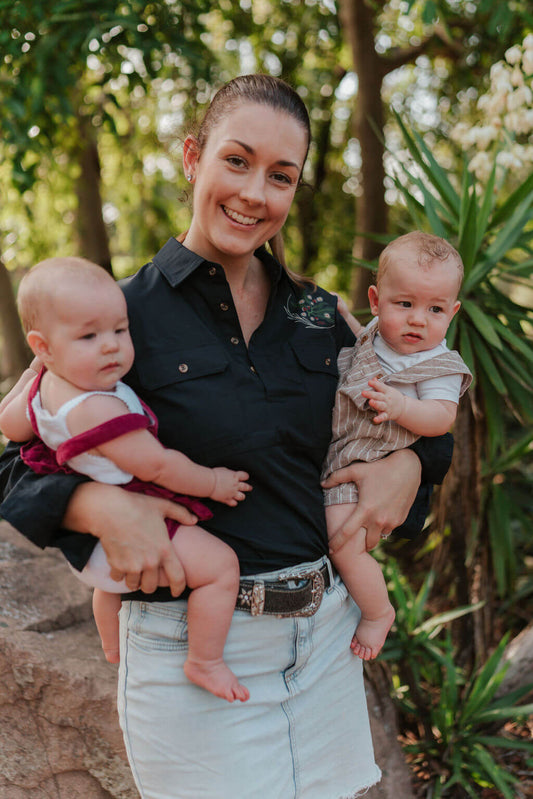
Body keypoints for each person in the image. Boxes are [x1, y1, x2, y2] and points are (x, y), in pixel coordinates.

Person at [0, 74, 454, 799]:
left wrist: (409, 461)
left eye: (280, 176)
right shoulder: (115, 317)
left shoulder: (318, 312)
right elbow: (18, 455)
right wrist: (95, 507)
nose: (254, 193)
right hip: (194, 650)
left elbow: (412, 408)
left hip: (325, 639)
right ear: (192, 157)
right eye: (235, 161)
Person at [0, 257, 252, 702]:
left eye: (120, 330)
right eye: (89, 336)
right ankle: (205, 660)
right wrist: (213, 482)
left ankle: (112, 647)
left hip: (94, 558)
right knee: (220, 569)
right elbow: (156, 465)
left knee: (108, 591)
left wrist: (28, 379)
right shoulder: (99, 407)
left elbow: (13, 428)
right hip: (127, 530)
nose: (111, 347)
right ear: (42, 345)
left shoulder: (45, 386)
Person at [322, 232, 472, 660]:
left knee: (342, 540)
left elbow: (441, 418)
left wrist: (402, 404)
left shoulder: (436, 363)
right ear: (376, 300)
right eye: (404, 304)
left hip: (370, 458)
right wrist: (342, 315)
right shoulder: (379, 336)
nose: (418, 320)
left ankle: (377, 612)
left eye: (435, 309)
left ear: (453, 312)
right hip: (341, 450)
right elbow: (358, 352)